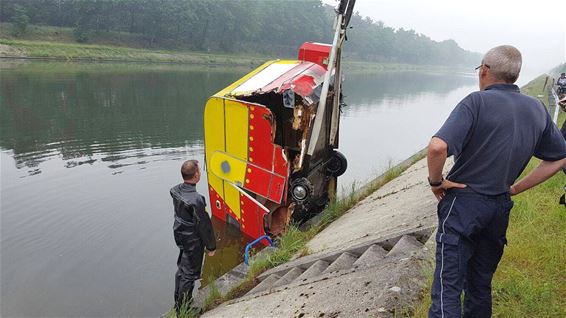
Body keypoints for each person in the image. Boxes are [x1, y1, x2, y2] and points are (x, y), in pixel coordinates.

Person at [426, 45, 566, 318]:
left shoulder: (475, 102)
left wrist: (436, 182)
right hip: (499, 207)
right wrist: (515, 187)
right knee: (480, 284)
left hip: (463, 205)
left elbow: (437, 147)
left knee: (448, 286)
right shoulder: (536, 108)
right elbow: (559, 157)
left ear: (485, 71)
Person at [170, 159, 216, 315]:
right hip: (192, 241)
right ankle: (184, 310)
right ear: (196, 175)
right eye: (199, 171)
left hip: (180, 235)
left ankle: (179, 304)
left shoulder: (176, 190)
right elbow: (204, 225)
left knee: (182, 270)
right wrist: (211, 247)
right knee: (189, 274)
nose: (200, 173)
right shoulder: (197, 199)